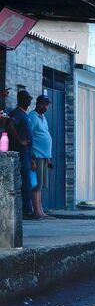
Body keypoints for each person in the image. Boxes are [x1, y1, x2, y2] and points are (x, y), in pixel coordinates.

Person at [26, 95, 53, 219]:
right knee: (36, 185)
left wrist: (48, 157)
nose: (46, 107)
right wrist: (31, 158)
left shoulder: (43, 117)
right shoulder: (33, 117)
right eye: (44, 104)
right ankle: (37, 212)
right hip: (36, 155)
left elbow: (45, 135)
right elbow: (29, 137)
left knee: (41, 185)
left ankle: (41, 211)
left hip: (44, 156)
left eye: (47, 104)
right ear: (38, 104)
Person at [8, 90, 34, 218]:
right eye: (27, 98)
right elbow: (10, 125)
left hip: (28, 153)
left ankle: (28, 209)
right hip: (21, 152)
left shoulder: (25, 114)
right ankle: (26, 211)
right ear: (21, 99)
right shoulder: (17, 113)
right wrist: (19, 140)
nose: (30, 100)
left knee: (28, 182)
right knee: (26, 181)